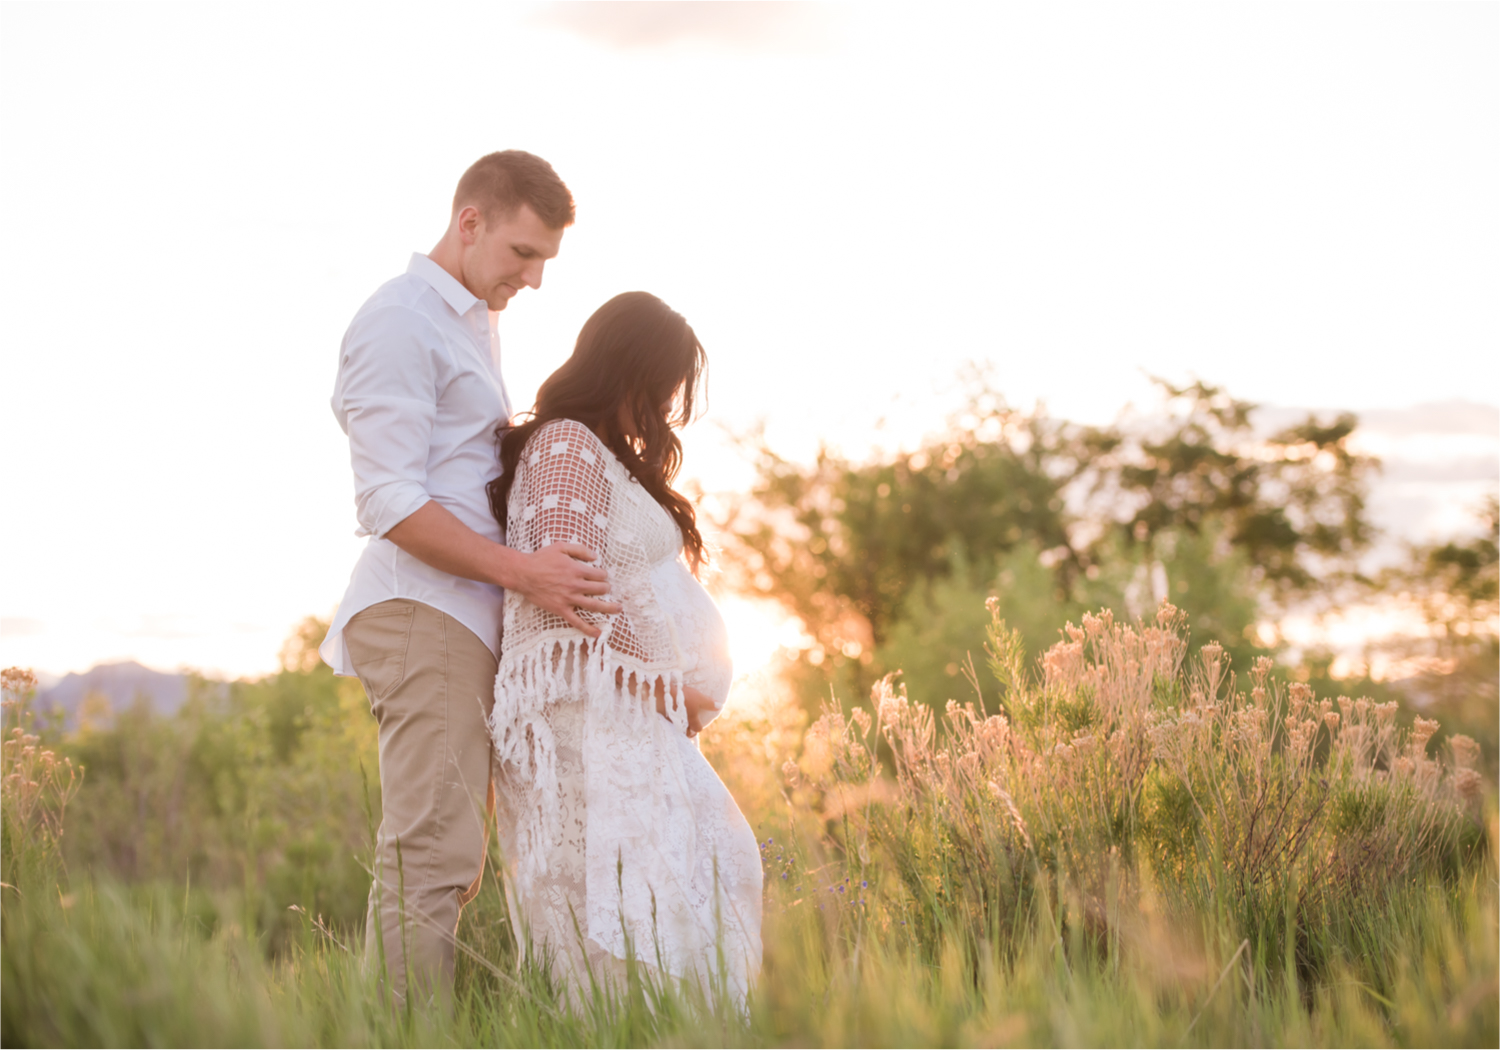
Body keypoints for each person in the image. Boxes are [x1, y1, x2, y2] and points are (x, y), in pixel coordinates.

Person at [319, 151, 620, 1005]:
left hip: (463, 616)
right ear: (471, 222)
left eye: (545, 262)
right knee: (431, 856)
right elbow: (387, 500)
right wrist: (524, 571)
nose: (532, 278)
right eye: (523, 255)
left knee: (455, 858)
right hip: (423, 610)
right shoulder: (400, 321)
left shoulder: (470, 318)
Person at [487, 292, 762, 1004]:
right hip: (595, 722)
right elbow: (565, 584)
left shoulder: (605, 456)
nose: (669, 404)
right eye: (666, 383)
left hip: (633, 720)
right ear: (630, 369)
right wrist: (670, 687)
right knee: (624, 904)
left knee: (700, 877)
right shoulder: (566, 444)